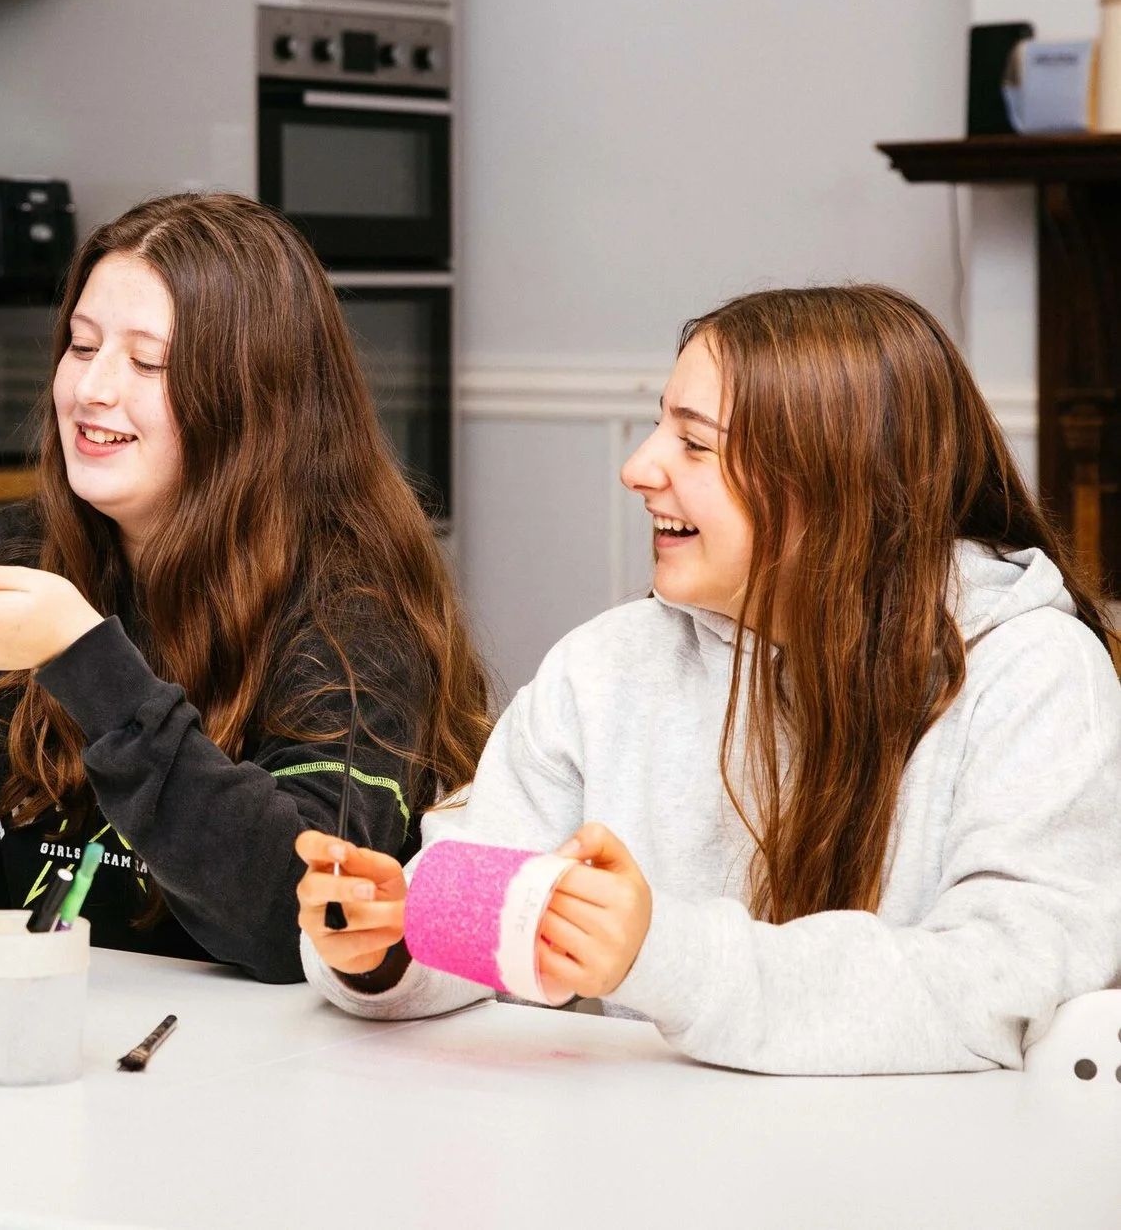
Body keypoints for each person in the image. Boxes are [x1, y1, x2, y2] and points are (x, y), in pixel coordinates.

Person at [297, 284, 1121, 1073]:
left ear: (839, 488)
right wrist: (390, 942)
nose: (638, 467)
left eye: (695, 443)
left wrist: (666, 955)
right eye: (661, 427)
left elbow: (999, 983)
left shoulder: (1035, 675)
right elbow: (488, 905)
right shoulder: (605, 665)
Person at [0, 193, 491, 979]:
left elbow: (300, 922)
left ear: (256, 395)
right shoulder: (5, 553)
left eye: (147, 361)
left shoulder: (356, 609)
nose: (90, 389)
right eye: (81, 344)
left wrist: (84, 655)